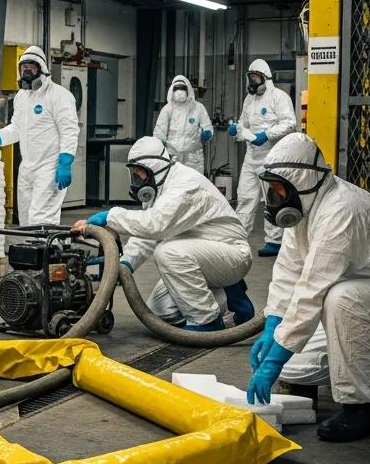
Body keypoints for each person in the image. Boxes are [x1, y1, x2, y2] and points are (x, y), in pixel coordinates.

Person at [247, 133, 370, 442]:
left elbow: (312, 290)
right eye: (272, 190)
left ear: (302, 180)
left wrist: (274, 359)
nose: (276, 197)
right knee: (296, 368)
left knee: (340, 299)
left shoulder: (341, 210)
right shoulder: (303, 208)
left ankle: (360, 410)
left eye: (280, 188)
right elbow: (288, 272)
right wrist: (272, 325)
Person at [72, 135, 254, 331]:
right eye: (134, 173)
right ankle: (230, 296)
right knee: (160, 311)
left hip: (230, 254)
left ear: (153, 167)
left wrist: (110, 216)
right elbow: (148, 234)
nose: (137, 178)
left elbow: (155, 225)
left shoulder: (185, 185)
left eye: (139, 172)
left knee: (168, 252)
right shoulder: (160, 188)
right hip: (204, 257)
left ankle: (206, 320)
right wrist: (125, 263)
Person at [0, 46, 80, 225]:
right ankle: (38, 252)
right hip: (27, 168)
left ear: (42, 69)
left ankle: (51, 252)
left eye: (32, 66)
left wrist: (65, 163)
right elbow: (16, 128)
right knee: (26, 220)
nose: (27, 70)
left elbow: (69, 131)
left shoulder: (60, 96)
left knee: (41, 219)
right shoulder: (22, 97)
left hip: (50, 167)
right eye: (24, 67)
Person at [228, 58, 296, 257]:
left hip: (272, 157)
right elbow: (243, 123)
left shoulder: (279, 97)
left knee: (272, 199)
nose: (253, 80)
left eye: (256, 77)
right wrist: (237, 130)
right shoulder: (249, 100)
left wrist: (266, 135)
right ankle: (239, 239)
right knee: (245, 198)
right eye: (251, 77)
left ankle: (274, 241)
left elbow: (290, 123)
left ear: (266, 77)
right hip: (251, 157)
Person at [153, 74, 214, 174]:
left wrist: (207, 133)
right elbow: (159, 131)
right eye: (177, 88)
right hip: (172, 156)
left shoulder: (198, 108)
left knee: (193, 186)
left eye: (182, 88)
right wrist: (160, 142)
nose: (180, 91)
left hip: (193, 157)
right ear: (172, 90)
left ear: (188, 89)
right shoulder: (167, 109)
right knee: (173, 185)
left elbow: (207, 126)